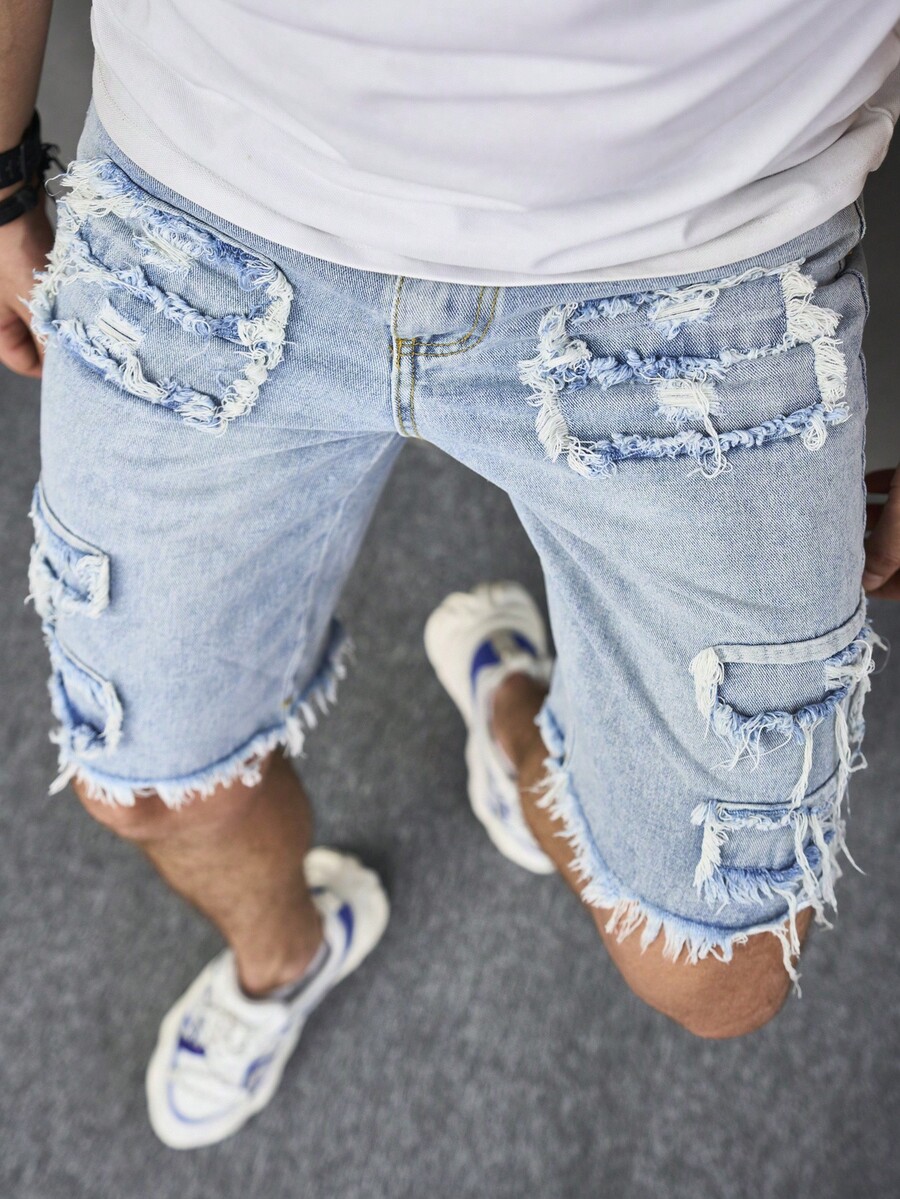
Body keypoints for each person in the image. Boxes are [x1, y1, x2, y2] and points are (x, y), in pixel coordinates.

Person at [2, 0, 900, 1151]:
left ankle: (517, 710)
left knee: (720, 971)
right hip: (213, 192)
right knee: (144, 777)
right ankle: (288, 952)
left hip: (699, 256)